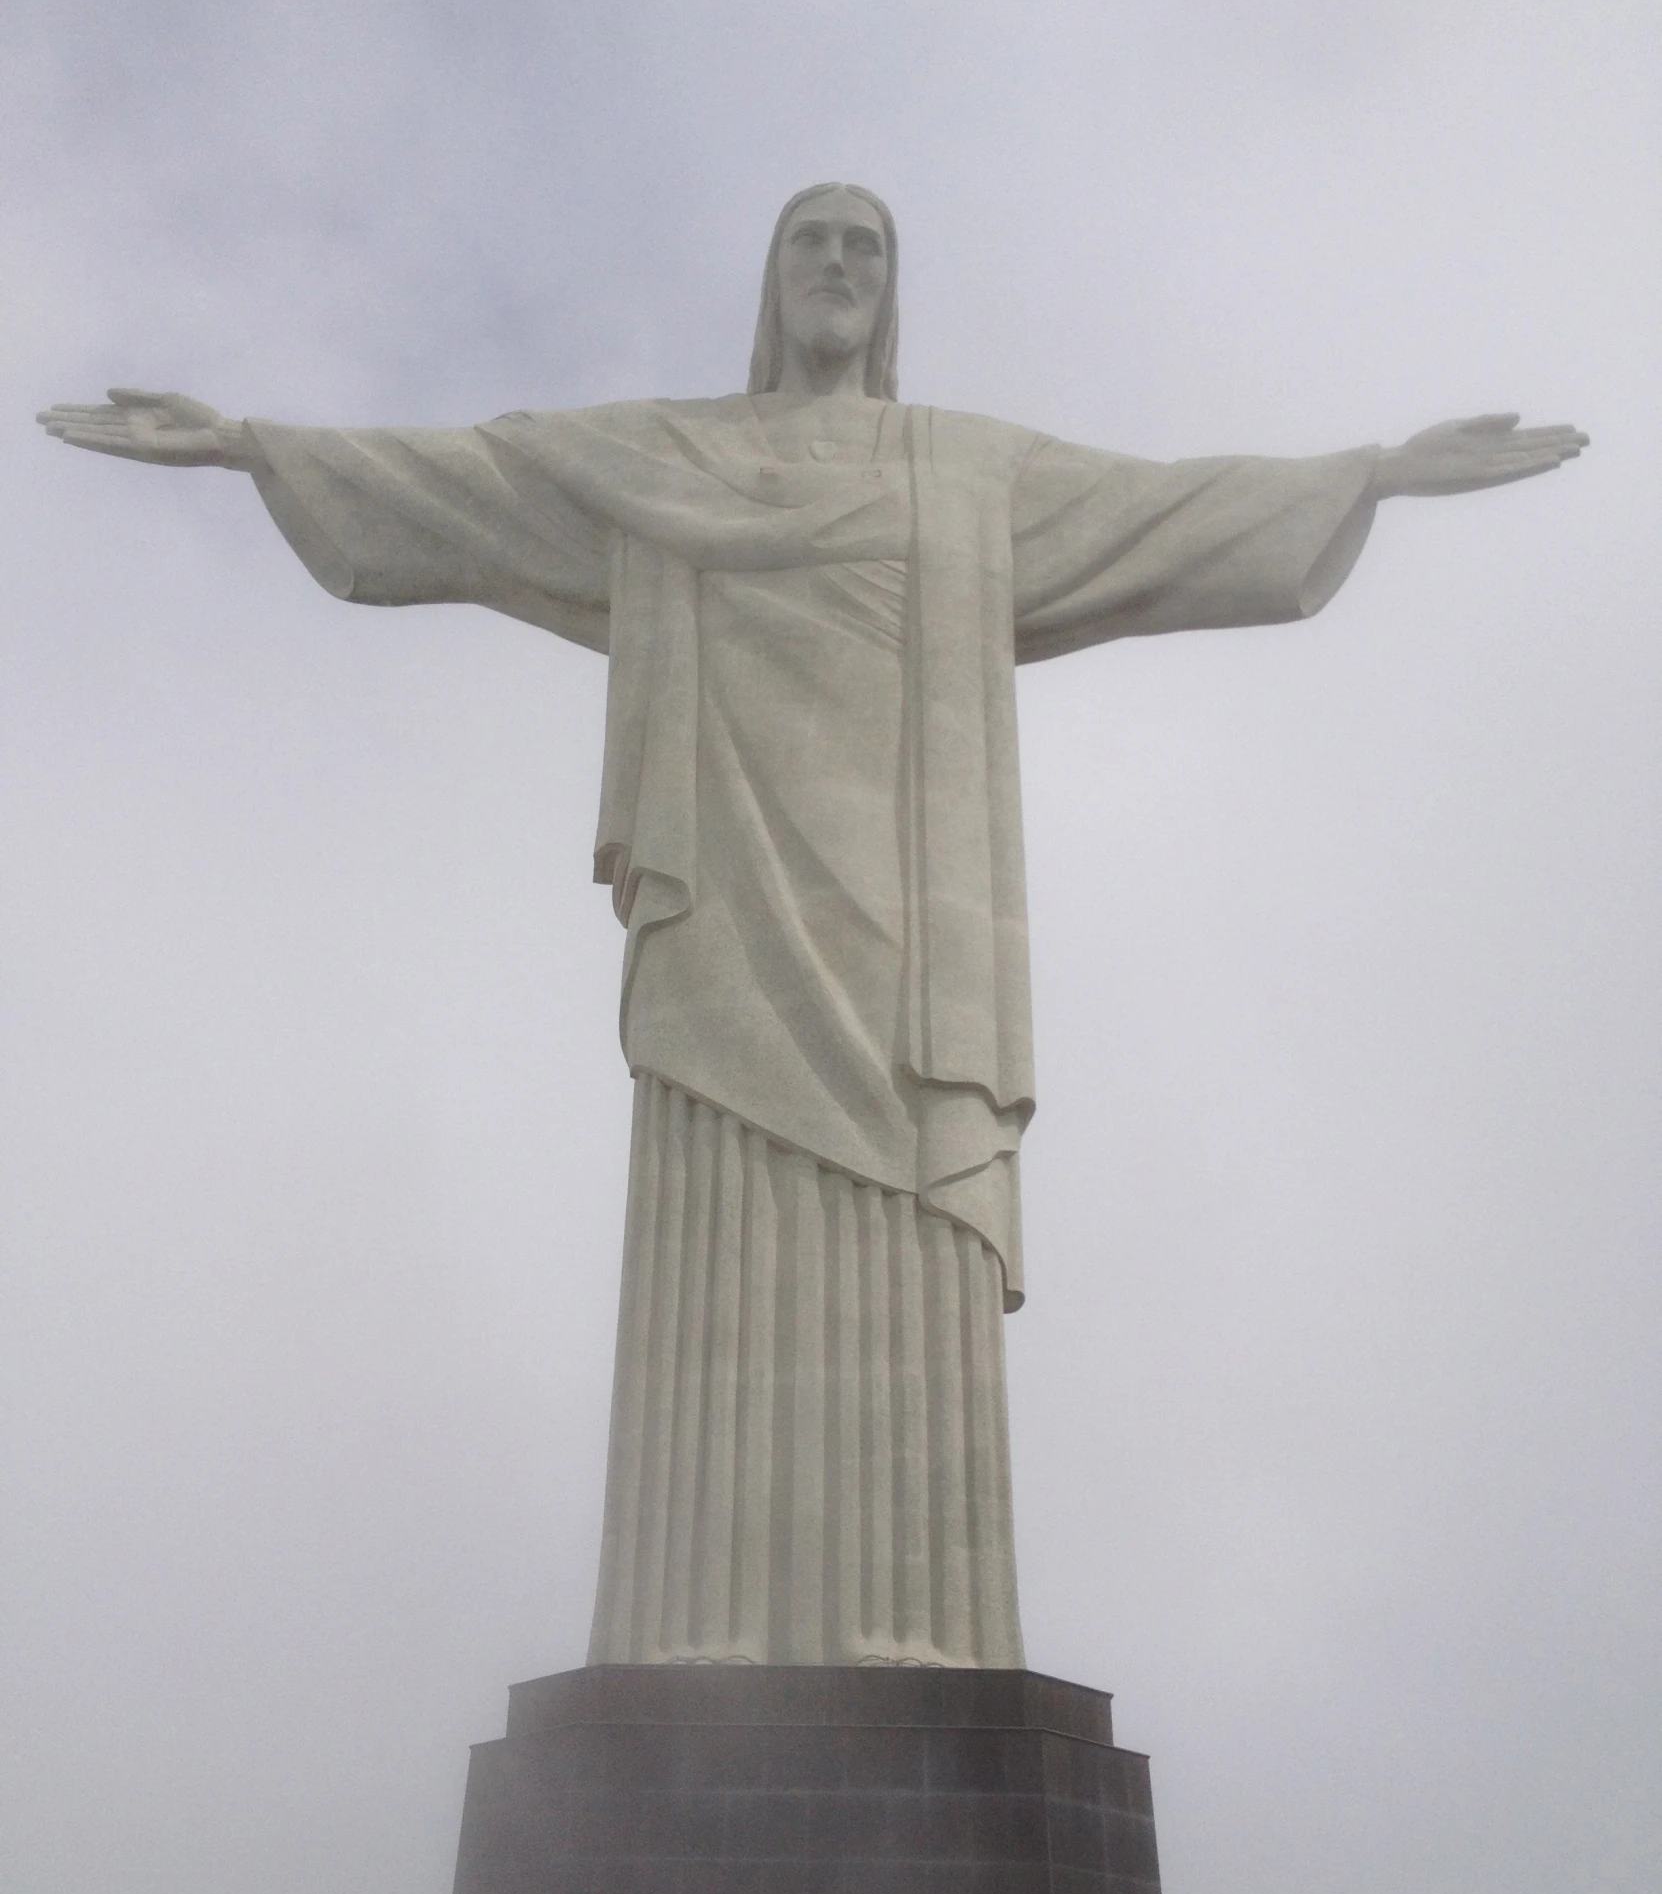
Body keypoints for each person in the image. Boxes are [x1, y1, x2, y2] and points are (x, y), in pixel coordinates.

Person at [38, 183, 1586, 1669]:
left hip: (909, 931)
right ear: (771, 283)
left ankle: (924, 1629)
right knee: (727, 1227)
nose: (836, 265)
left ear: (891, 289)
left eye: (863, 245)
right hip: (725, 902)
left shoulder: (964, 472)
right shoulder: (660, 453)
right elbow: (469, 481)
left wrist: (1369, 473)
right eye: (809, 242)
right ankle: (685, 1622)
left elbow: (1160, 509)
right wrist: (248, 443)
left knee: (902, 1230)